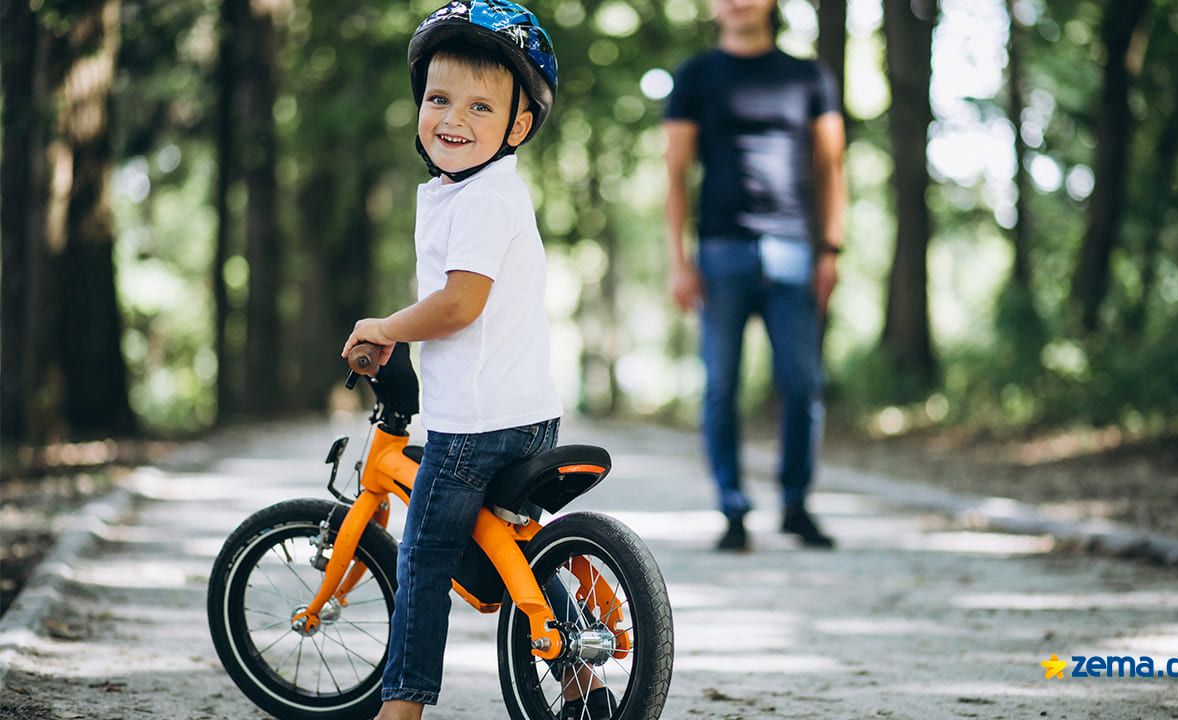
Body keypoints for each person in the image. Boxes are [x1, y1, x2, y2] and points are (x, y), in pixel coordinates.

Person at [340, 2, 613, 718]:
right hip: (525, 417)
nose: (452, 118)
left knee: (421, 563)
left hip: (475, 430)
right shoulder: (470, 191)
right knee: (515, 549)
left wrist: (386, 327)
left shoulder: (485, 199)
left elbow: (461, 305)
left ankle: (399, 708)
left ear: (517, 127)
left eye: (479, 106)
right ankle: (581, 682)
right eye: (438, 99)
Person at [664, 0, 847, 551]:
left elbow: (830, 169)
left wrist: (831, 250)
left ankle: (795, 503)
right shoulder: (695, 76)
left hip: (793, 249)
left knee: (802, 384)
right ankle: (733, 508)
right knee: (720, 385)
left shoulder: (808, 76)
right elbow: (675, 171)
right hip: (720, 251)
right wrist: (678, 257)